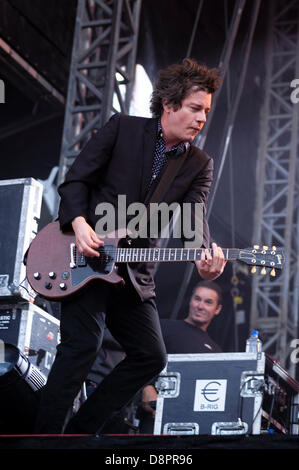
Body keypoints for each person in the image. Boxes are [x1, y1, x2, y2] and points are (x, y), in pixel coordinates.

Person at [34, 58, 227, 435]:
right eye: (195, 108)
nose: (202, 118)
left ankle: (79, 434)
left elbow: (195, 216)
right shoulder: (122, 128)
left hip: (133, 272)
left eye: (206, 110)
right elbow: (75, 181)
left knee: (151, 357)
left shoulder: (199, 163)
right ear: (170, 105)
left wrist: (205, 254)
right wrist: (79, 224)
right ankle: (43, 438)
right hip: (85, 258)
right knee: (82, 346)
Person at [137, 280, 224, 432]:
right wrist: (146, 387)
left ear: (217, 309)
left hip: (195, 425)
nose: (200, 306)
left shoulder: (217, 352)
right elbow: (136, 356)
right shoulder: (164, 327)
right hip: (156, 417)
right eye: (197, 299)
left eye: (208, 302)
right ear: (190, 300)